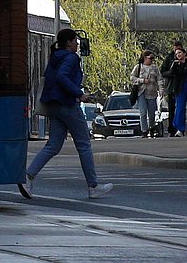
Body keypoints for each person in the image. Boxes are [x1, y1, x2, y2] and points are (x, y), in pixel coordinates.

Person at [19, 28, 113, 200]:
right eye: (75, 40)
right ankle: (93, 186)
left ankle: (28, 176)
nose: (77, 44)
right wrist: (79, 94)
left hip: (53, 105)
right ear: (69, 42)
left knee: (53, 145)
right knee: (84, 144)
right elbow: (62, 77)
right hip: (68, 104)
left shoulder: (55, 56)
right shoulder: (71, 58)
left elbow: (52, 78)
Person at [130, 50, 161, 138]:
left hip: (152, 93)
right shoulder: (138, 67)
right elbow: (132, 77)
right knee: (143, 112)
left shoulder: (155, 68)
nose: (152, 60)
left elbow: (159, 79)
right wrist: (142, 80)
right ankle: (144, 130)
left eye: (153, 58)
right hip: (141, 92)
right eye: (150, 58)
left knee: (151, 113)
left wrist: (161, 90)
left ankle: (152, 127)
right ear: (145, 58)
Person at [161, 40, 184, 136]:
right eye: (176, 50)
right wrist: (171, 72)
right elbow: (163, 72)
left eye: (179, 51)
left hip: (182, 85)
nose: (178, 53)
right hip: (173, 86)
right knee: (173, 108)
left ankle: (180, 128)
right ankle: (172, 129)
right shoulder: (169, 58)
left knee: (181, 108)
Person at [167, 47, 187, 137]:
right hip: (180, 88)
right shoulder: (175, 64)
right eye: (176, 54)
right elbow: (171, 74)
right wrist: (174, 65)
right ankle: (180, 129)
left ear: (184, 53)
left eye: (179, 53)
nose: (178, 55)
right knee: (180, 107)